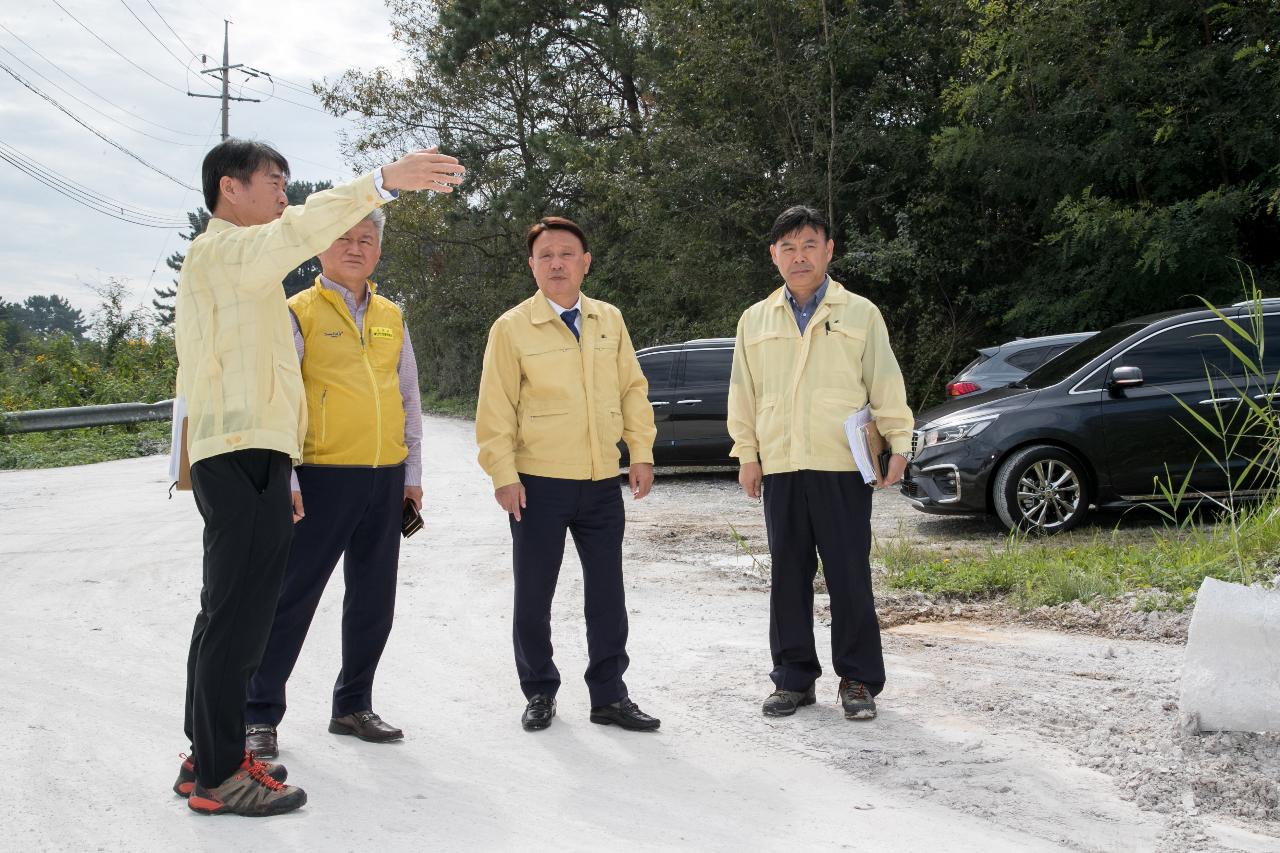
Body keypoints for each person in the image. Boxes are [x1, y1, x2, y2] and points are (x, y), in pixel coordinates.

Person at [173, 138, 463, 817]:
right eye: (275, 180)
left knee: (227, 613)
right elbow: (304, 226)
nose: (284, 194)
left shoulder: (244, 269)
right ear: (229, 187)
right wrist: (381, 180)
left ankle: (203, 757)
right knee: (241, 619)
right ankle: (220, 774)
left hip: (257, 451)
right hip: (244, 453)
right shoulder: (225, 252)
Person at [242, 208, 421, 760]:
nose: (355, 247)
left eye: (366, 239)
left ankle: (353, 704)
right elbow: (282, 400)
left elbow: (408, 398)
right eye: (342, 237)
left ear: (378, 252)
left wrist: (412, 477)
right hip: (320, 476)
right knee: (292, 599)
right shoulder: (296, 313)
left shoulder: (392, 314)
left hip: (384, 477)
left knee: (374, 599)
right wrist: (288, 475)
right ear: (320, 247)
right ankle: (258, 715)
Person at [726, 205, 913, 722]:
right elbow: (743, 394)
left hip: (841, 464)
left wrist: (899, 443)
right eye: (788, 247)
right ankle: (793, 679)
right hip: (782, 464)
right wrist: (747, 454)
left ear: (828, 251)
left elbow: (885, 383)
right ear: (774, 256)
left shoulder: (860, 314)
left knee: (849, 573)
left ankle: (857, 679)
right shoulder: (755, 320)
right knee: (788, 574)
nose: (799, 256)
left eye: (809, 245)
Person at [475, 216, 661, 733]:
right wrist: (503, 474)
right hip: (538, 483)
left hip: (602, 481)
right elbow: (495, 408)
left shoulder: (609, 320)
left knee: (607, 595)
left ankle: (609, 694)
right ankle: (539, 690)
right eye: (545, 255)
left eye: (566, 253)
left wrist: (640, 452)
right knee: (534, 594)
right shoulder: (511, 328)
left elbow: (631, 390)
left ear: (585, 262)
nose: (556, 263)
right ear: (531, 265)